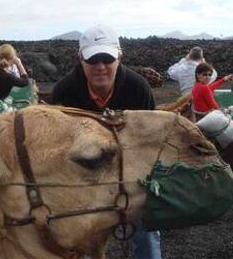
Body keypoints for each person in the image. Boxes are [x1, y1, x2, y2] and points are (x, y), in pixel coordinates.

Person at [52, 24, 161, 259]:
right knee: (73, 237)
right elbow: (59, 147)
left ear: (119, 57)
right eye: (93, 59)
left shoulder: (138, 88)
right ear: (80, 58)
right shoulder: (64, 92)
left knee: (146, 231)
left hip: (132, 173)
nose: (100, 66)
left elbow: (151, 142)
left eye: (107, 58)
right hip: (84, 179)